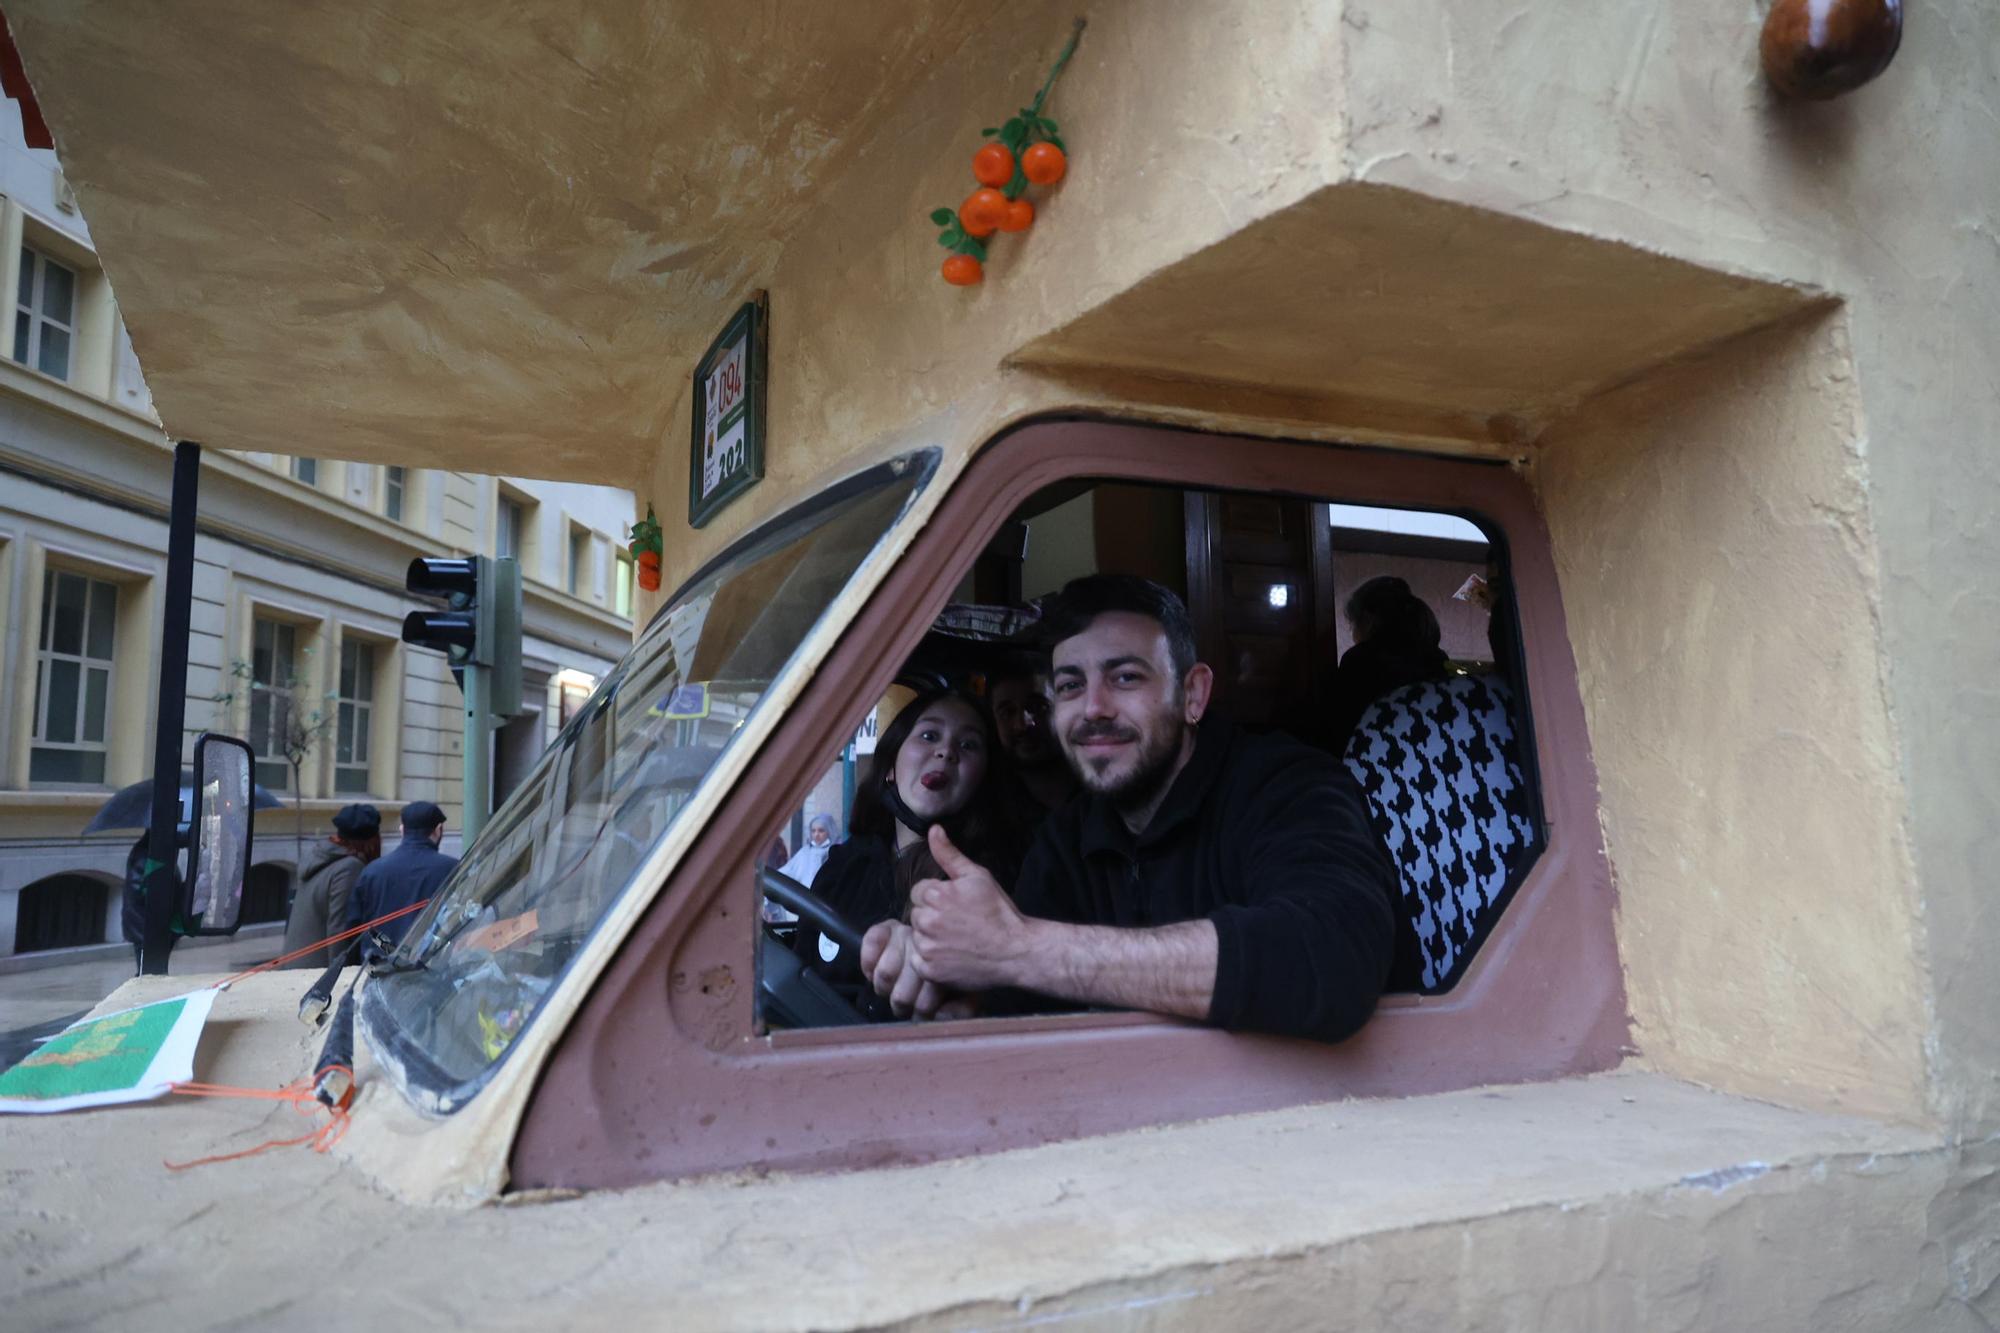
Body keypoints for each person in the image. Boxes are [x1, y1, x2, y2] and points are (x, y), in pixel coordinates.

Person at [861, 575, 1410, 1043]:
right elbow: (1033, 1000)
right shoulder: (1066, 840)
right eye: (1071, 685)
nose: (1093, 709)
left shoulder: (1289, 786)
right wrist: (951, 977)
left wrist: (1021, 949)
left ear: (1193, 696)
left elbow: (1332, 959)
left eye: (1125, 677)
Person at [791, 688, 1017, 1015]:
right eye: (929, 735)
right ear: (890, 768)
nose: (946, 752)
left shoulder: (990, 881)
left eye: (968, 745)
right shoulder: (845, 863)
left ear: (981, 781)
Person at [1330, 575, 1450, 748]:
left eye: (1353, 625)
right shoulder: (1437, 660)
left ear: (1368, 620)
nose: (1353, 634)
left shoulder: (1360, 661)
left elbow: (1342, 730)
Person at [282, 803, 381, 968]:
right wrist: (342, 975)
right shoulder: (350, 867)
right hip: (316, 973)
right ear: (371, 841)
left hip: (296, 965)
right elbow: (339, 930)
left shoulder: (319, 856)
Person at [348, 800, 458, 947]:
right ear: (438, 830)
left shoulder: (372, 871)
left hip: (378, 961)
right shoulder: (453, 869)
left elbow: (354, 926)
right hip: (430, 964)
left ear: (402, 830)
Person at [988, 658, 1078, 819]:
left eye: (1037, 707)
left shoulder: (1101, 785)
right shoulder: (990, 809)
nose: (1021, 725)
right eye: (1007, 712)